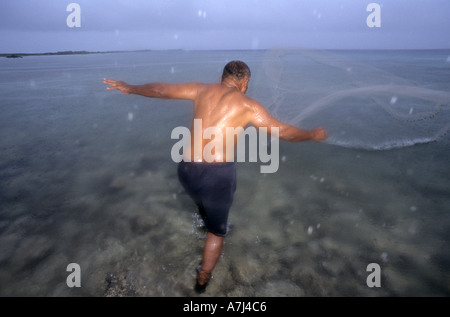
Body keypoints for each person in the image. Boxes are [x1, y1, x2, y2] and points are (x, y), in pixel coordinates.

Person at [103, 60, 327, 293]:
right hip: (217, 175)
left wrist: (130, 88)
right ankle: (202, 280)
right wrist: (311, 134)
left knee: (202, 200)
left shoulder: (201, 89)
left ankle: (204, 220)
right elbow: (283, 132)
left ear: (222, 77)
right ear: (245, 82)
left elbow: (161, 90)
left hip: (186, 170)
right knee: (217, 233)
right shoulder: (248, 105)